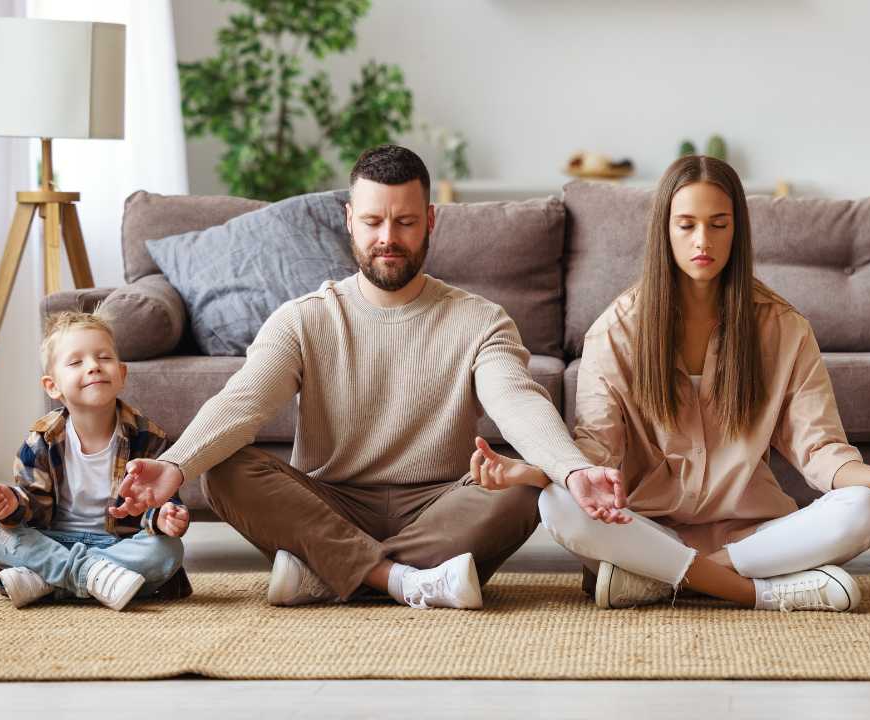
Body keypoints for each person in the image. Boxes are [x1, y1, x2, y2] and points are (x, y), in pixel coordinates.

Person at [107, 144, 625, 610]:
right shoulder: (304, 317)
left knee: (521, 487)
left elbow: (518, 402)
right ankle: (405, 579)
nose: (387, 239)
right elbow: (243, 403)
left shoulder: (482, 319)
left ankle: (327, 572)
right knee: (225, 470)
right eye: (374, 221)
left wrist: (575, 471)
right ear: (350, 220)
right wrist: (175, 464)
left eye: (405, 222)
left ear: (431, 220)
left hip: (439, 504)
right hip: (329, 500)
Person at [472, 155, 870, 612]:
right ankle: (754, 592)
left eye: (719, 224)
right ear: (665, 230)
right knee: (558, 503)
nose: (703, 240)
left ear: (738, 230)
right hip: (647, 529)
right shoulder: (616, 331)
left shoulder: (782, 328)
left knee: (866, 509)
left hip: (752, 537)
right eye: (686, 225)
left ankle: (659, 579)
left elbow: (820, 451)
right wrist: (532, 473)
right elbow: (596, 456)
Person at [0, 312, 190, 611]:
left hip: (117, 545)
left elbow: (158, 501)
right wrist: (13, 504)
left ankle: (49, 581)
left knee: (167, 550)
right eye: (76, 362)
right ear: (52, 386)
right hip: (53, 542)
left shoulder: (147, 437)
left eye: (103, 357)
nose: (94, 367)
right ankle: (94, 578)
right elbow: (32, 506)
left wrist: (165, 517)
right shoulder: (41, 441)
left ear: (122, 374)